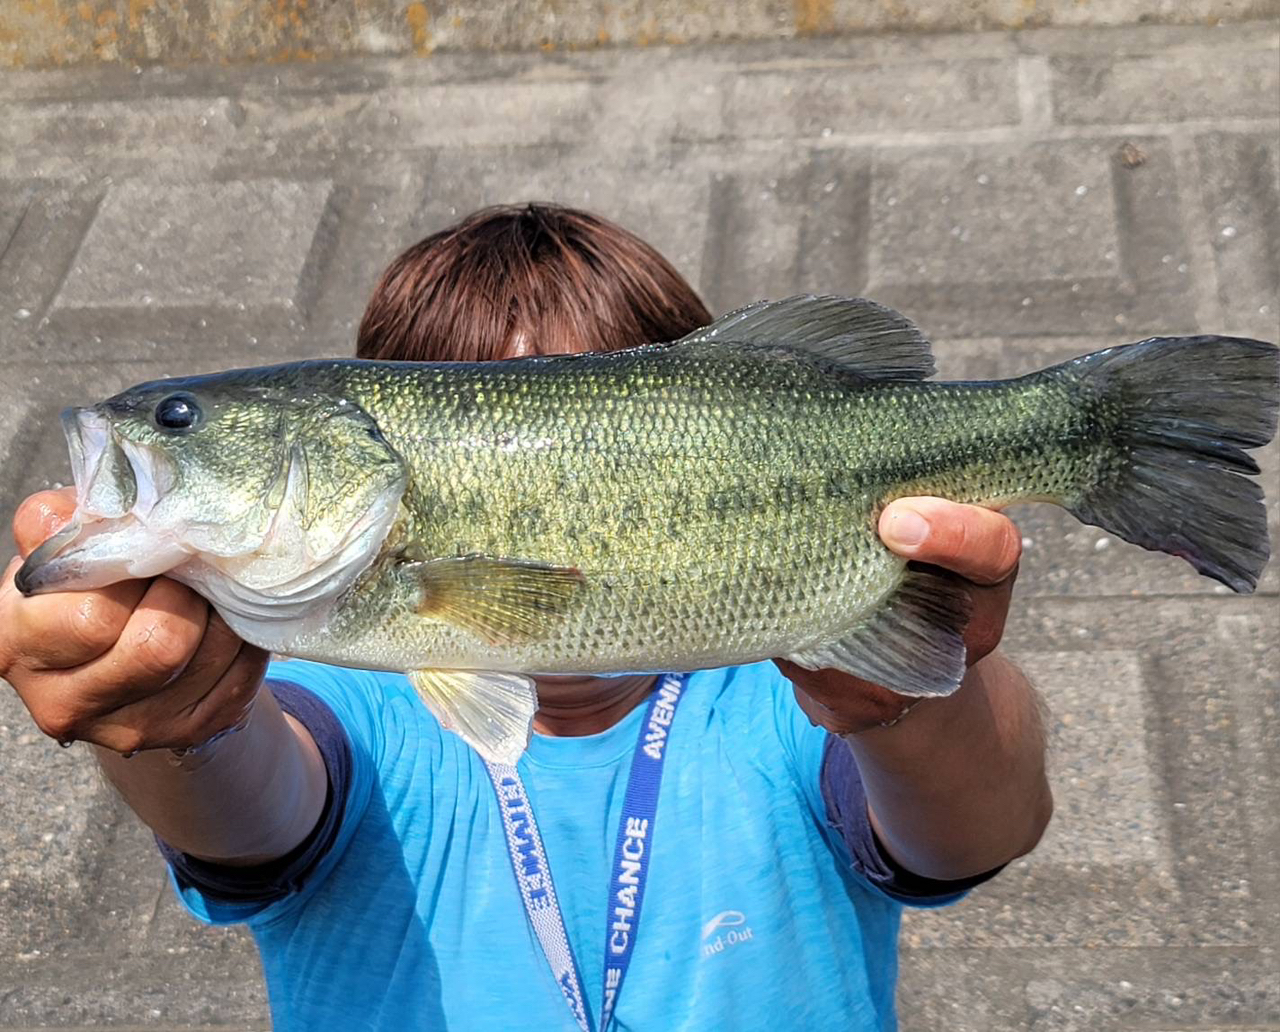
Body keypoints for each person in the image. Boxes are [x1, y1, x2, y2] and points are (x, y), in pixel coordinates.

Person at [0, 204, 1051, 1030]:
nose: (153, 435)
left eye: (178, 424)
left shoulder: (785, 694)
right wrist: (168, 720)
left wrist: (911, 704)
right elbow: (245, 806)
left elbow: (978, 829)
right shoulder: (340, 696)